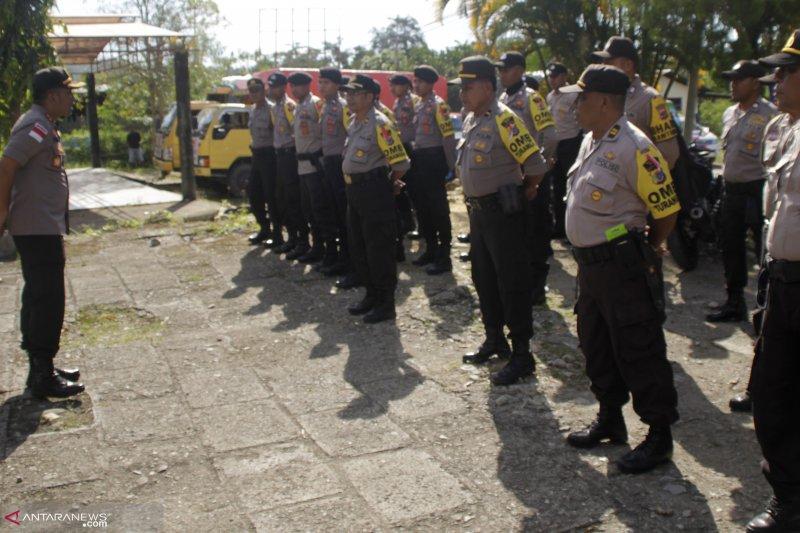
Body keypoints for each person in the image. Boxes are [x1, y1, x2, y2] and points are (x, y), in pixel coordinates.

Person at [562, 65, 681, 474]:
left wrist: (647, 247)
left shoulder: (636, 147)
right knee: (596, 343)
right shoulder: (590, 140)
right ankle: (610, 418)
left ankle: (659, 436)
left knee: (639, 347)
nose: (576, 104)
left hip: (622, 266)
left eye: (581, 97)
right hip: (591, 268)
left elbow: (666, 210)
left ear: (603, 101)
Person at [452, 56, 548, 385]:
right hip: (478, 215)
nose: (462, 93)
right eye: (460, 87)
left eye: (467, 87)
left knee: (512, 282)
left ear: (487, 87)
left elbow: (535, 165)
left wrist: (526, 191)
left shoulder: (505, 120)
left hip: (502, 215)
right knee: (484, 278)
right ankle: (495, 339)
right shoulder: (469, 119)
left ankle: (523, 354)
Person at [743, 32, 800, 532]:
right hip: (783, 278)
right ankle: (790, 497)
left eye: (785, 72)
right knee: (772, 390)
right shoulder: (785, 127)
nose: (774, 80)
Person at [0, 67, 84, 399]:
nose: (72, 99)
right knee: (48, 297)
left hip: (40, 225)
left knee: (40, 293)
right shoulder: (35, 126)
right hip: (36, 227)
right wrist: (1, 211)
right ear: (53, 96)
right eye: (68, 93)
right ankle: (41, 375)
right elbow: (7, 165)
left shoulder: (43, 123)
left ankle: (42, 365)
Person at [706, 60, 777, 323]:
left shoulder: (771, 115)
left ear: (756, 83)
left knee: (763, 252)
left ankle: (768, 308)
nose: (732, 84)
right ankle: (734, 302)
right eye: (731, 79)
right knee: (731, 248)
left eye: (739, 79)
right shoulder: (729, 113)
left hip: (756, 191)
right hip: (731, 190)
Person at [341, 74, 410, 323]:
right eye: (347, 93)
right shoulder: (353, 121)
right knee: (359, 247)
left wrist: (389, 183)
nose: (348, 97)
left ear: (369, 97)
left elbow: (401, 162)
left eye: (354, 93)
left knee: (378, 249)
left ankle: (386, 303)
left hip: (374, 190)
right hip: (355, 192)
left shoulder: (380, 123)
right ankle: (371, 295)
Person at [495, 51, 558, 305]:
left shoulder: (533, 98)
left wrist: (538, 169)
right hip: (509, 178)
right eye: (500, 69)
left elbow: (550, 135)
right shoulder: (501, 98)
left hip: (531, 177)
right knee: (514, 232)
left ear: (520, 70)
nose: (502, 74)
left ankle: (536, 288)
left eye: (507, 69)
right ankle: (518, 283)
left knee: (535, 231)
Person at [592, 36, 680, 169]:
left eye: (609, 61)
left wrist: (636, 178)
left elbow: (669, 155)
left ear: (628, 65)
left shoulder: (651, 99)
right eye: (603, 62)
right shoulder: (608, 96)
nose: (603, 66)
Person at [289, 71, 338, 267]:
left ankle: (327, 250)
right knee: (308, 210)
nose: (293, 89)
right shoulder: (298, 106)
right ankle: (317, 247)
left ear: (307, 86)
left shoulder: (316, 104)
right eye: (291, 86)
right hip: (302, 166)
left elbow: (326, 134)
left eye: (297, 85)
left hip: (316, 166)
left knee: (321, 210)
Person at [411, 65, 456, 275]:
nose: (416, 85)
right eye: (415, 81)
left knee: (437, 208)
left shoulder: (439, 106)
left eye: (419, 81)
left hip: (434, 159)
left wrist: (450, 165)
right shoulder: (419, 105)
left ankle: (444, 255)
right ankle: (431, 248)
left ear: (430, 83)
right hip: (419, 159)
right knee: (422, 207)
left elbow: (447, 137)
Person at [318, 67, 353, 280]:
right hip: (328, 164)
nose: (321, 87)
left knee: (344, 215)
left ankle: (349, 261)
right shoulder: (325, 107)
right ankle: (339, 258)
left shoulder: (342, 107)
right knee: (332, 213)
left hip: (340, 164)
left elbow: (351, 135)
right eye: (320, 82)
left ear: (337, 85)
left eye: (326, 83)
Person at [270, 73, 307, 259]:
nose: (272, 90)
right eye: (270, 87)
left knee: (293, 199)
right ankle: (292, 238)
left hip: (290, 157)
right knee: (282, 198)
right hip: (279, 157)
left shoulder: (289, 106)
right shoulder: (275, 107)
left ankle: (301, 241)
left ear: (283, 87)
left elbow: (297, 131)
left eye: (275, 87)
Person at [546, 62, 584, 238]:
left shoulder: (574, 95)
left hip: (571, 144)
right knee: (558, 188)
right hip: (556, 146)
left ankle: (573, 229)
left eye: (555, 76)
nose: (552, 80)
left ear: (563, 76)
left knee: (572, 187)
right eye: (550, 76)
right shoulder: (549, 97)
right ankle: (559, 227)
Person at [246, 77, 281, 248]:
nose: (254, 94)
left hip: (269, 155)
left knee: (271, 195)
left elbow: (278, 133)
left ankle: (277, 233)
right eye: (251, 91)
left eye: (257, 90)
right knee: (253, 193)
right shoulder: (252, 110)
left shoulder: (272, 109)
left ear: (264, 91)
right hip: (256, 155)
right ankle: (264, 228)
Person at [390, 74, 419, 248]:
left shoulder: (413, 101)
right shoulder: (398, 103)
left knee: (415, 189)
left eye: (395, 85)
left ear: (405, 86)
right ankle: (409, 222)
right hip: (402, 147)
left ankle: (417, 224)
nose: (392, 89)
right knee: (403, 188)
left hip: (412, 146)